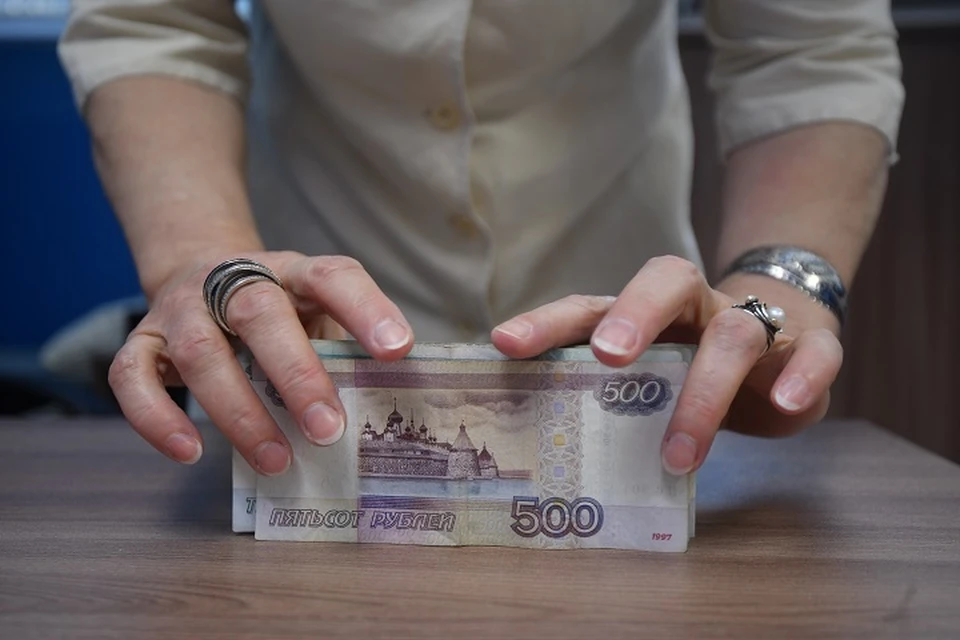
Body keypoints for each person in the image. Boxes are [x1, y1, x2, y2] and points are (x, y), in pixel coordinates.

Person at [57, 1, 904, 479]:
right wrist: (206, 262)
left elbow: (809, 45)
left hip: (635, 347)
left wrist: (777, 296)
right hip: (296, 354)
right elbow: (155, 19)